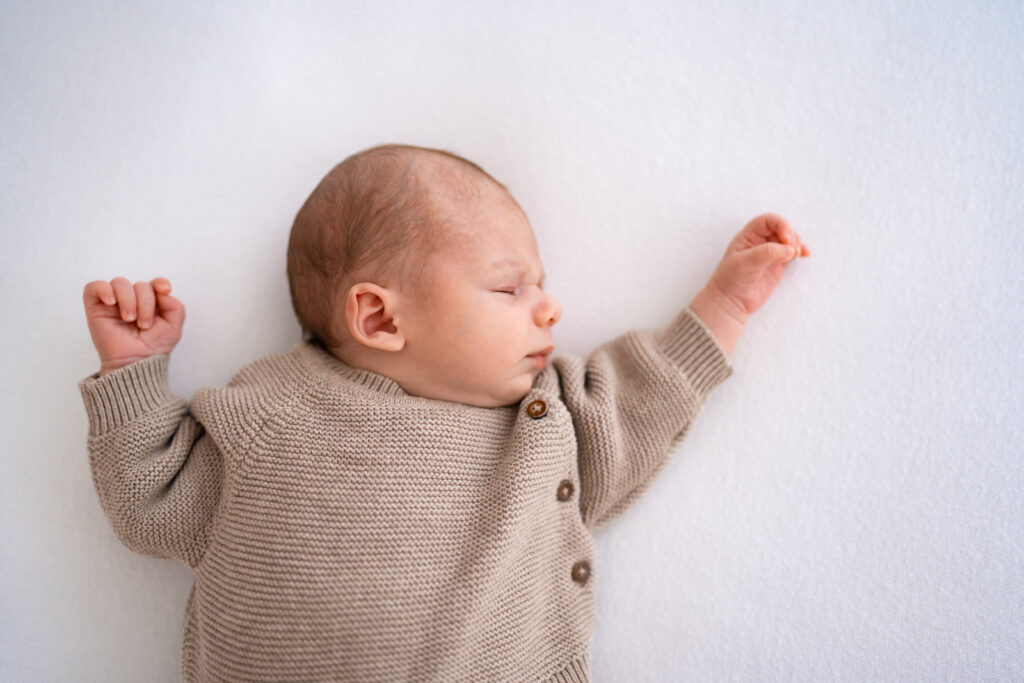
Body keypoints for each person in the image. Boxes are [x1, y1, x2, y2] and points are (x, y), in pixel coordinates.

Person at [79, 143, 810, 682]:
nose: (550, 306)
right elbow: (153, 504)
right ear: (377, 316)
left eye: (541, 285)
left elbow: (640, 399)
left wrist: (724, 305)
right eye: (508, 288)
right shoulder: (270, 414)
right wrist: (132, 374)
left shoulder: (539, 426)